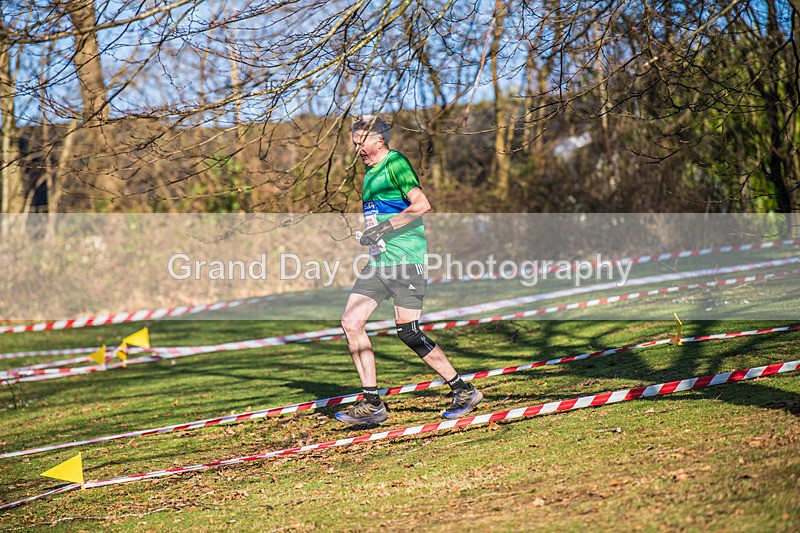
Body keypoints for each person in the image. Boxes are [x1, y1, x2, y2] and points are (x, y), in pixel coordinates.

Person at [335, 115, 483, 425]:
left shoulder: (395, 163)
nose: (358, 148)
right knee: (351, 322)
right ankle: (372, 403)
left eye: (362, 142)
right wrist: (369, 234)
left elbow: (421, 205)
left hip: (406, 262)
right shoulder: (369, 173)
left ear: (379, 140)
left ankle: (463, 390)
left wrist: (384, 228)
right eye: (354, 142)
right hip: (380, 263)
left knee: (408, 332)